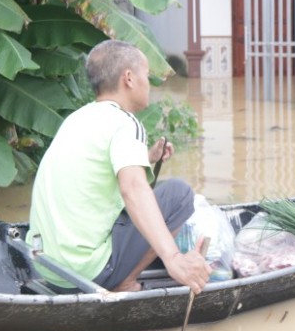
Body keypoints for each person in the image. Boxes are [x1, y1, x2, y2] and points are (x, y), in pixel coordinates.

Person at [27, 40, 210, 294]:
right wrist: (174, 258)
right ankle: (123, 282)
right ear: (129, 78)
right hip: (86, 272)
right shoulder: (126, 123)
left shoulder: (77, 118)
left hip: (47, 267)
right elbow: (133, 187)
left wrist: (148, 156)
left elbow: (96, 168)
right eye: (146, 74)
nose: (149, 83)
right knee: (179, 194)